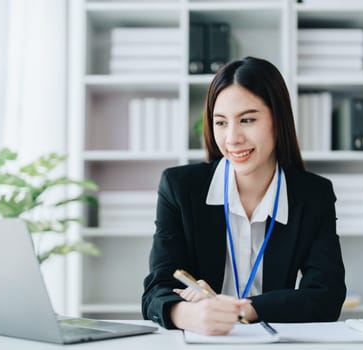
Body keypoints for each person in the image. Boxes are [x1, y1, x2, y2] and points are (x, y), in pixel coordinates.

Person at [141, 56, 346, 335]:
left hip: (273, 339)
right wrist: (189, 314)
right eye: (221, 122)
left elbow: (326, 297)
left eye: (247, 119)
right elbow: (156, 290)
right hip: (200, 340)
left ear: (278, 119)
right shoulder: (179, 187)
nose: (232, 138)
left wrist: (243, 308)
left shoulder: (313, 195)